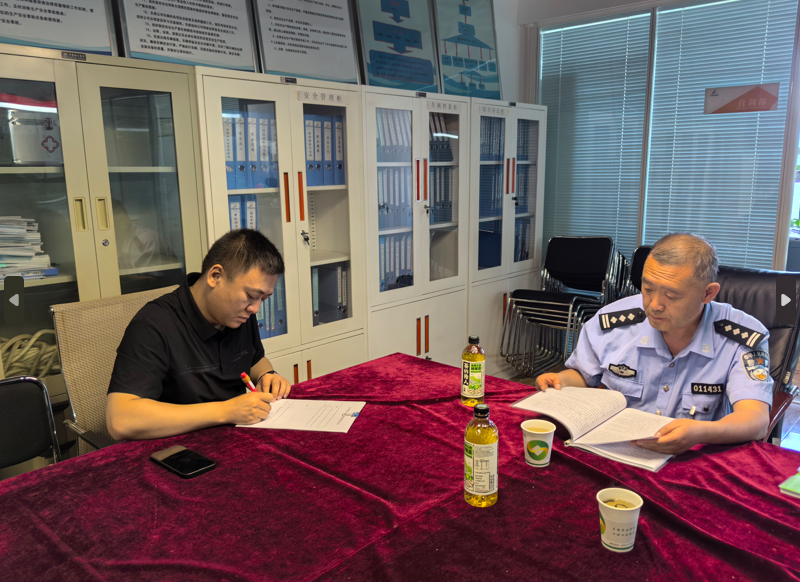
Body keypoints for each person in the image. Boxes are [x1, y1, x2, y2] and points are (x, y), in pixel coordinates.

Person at [536, 233, 772, 455]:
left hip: (694, 457)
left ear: (708, 294)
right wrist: (560, 381)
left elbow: (756, 420)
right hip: (617, 449)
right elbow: (584, 375)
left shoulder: (742, 336)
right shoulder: (612, 322)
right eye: (647, 289)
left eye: (671, 296)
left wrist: (701, 433)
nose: (654, 305)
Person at [106, 229, 292, 440]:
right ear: (215, 276)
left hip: (232, 438)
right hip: (175, 447)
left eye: (263, 299)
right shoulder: (153, 325)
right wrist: (226, 411)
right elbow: (121, 420)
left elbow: (254, 359)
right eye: (251, 295)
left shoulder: (239, 314)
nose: (255, 309)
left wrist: (267, 375)